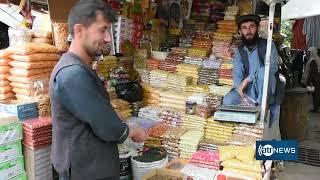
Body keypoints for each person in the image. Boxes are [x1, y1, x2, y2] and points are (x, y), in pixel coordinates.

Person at [49, 1, 147, 180]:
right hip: (83, 171)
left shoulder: (77, 67)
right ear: (79, 31)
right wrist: (132, 131)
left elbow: (93, 110)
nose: (109, 38)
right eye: (103, 30)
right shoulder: (72, 73)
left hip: (89, 166)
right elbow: (106, 125)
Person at [223, 14, 281, 126]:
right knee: (228, 101)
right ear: (240, 32)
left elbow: (272, 68)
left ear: (258, 29)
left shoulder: (268, 45)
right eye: (244, 28)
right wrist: (239, 90)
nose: (248, 31)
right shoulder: (240, 51)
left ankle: (261, 107)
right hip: (248, 91)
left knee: (264, 71)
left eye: (252, 27)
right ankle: (246, 118)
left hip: (264, 88)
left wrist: (248, 79)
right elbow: (237, 73)